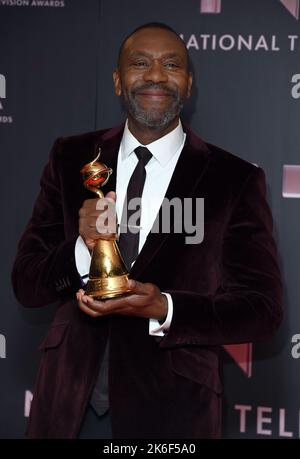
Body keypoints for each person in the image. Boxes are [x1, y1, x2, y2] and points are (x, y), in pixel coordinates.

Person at [12, 22, 283, 439]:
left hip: (174, 414)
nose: (156, 75)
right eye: (140, 64)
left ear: (188, 83)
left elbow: (262, 311)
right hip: (67, 407)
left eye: (171, 64)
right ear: (119, 81)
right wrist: (82, 248)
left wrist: (166, 308)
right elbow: (27, 284)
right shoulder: (71, 158)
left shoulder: (234, 179)